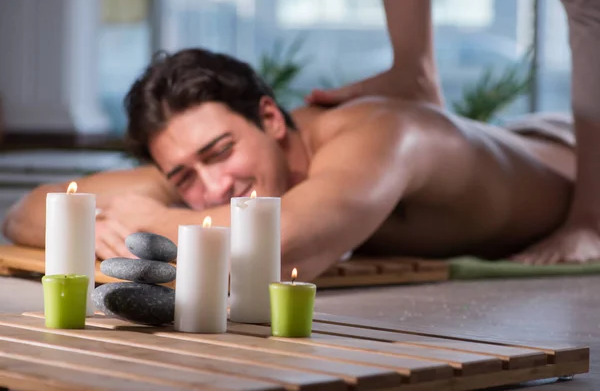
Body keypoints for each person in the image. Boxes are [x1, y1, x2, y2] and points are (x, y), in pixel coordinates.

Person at [2, 48, 576, 282]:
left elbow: (279, 245)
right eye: (182, 178)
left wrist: (149, 222)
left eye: (221, 152)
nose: (214, 187)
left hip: (573, 156)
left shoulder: (383, 134)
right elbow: (28, 211)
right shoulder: (204, 174)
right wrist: (112, 217)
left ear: (272, 119)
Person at [307, 0, 600, 266]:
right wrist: (413, 67)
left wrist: (590, 220)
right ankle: (412, 73)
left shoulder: (384, 134)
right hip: (542, 136)